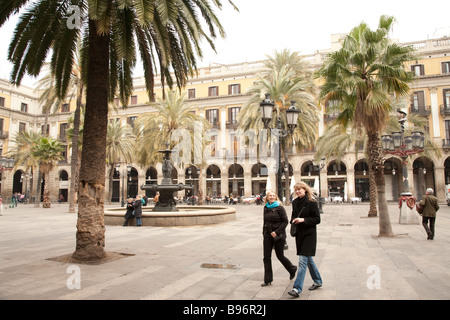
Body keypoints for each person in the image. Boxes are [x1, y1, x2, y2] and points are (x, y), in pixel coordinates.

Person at [288, 182, 323, 298]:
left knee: (303, 261)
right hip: (299, 234)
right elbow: (293, 215)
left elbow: (317, 219)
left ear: (305, 190)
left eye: (299, 189)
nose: (297, 192)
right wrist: (293, 220)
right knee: (308, 260)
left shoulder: (312, 203)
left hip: (309, 235)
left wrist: (303, 220)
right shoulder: (294, 202)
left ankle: (297, 289)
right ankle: (317, 280)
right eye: (296, 190)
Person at [261, 190, 297, 287]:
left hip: (278, 236)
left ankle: (292, 268)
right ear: (267, 198)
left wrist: (276, 232)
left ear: (276, 197)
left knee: (280, 255)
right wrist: (264, 232)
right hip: (267, 235)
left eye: (273, 195)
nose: (272, 197)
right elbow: (265, 221)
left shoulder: (280, 208)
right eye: (270, 196)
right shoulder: (266, 207)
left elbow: (285, 222)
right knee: (266, 257)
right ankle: (268, 279)